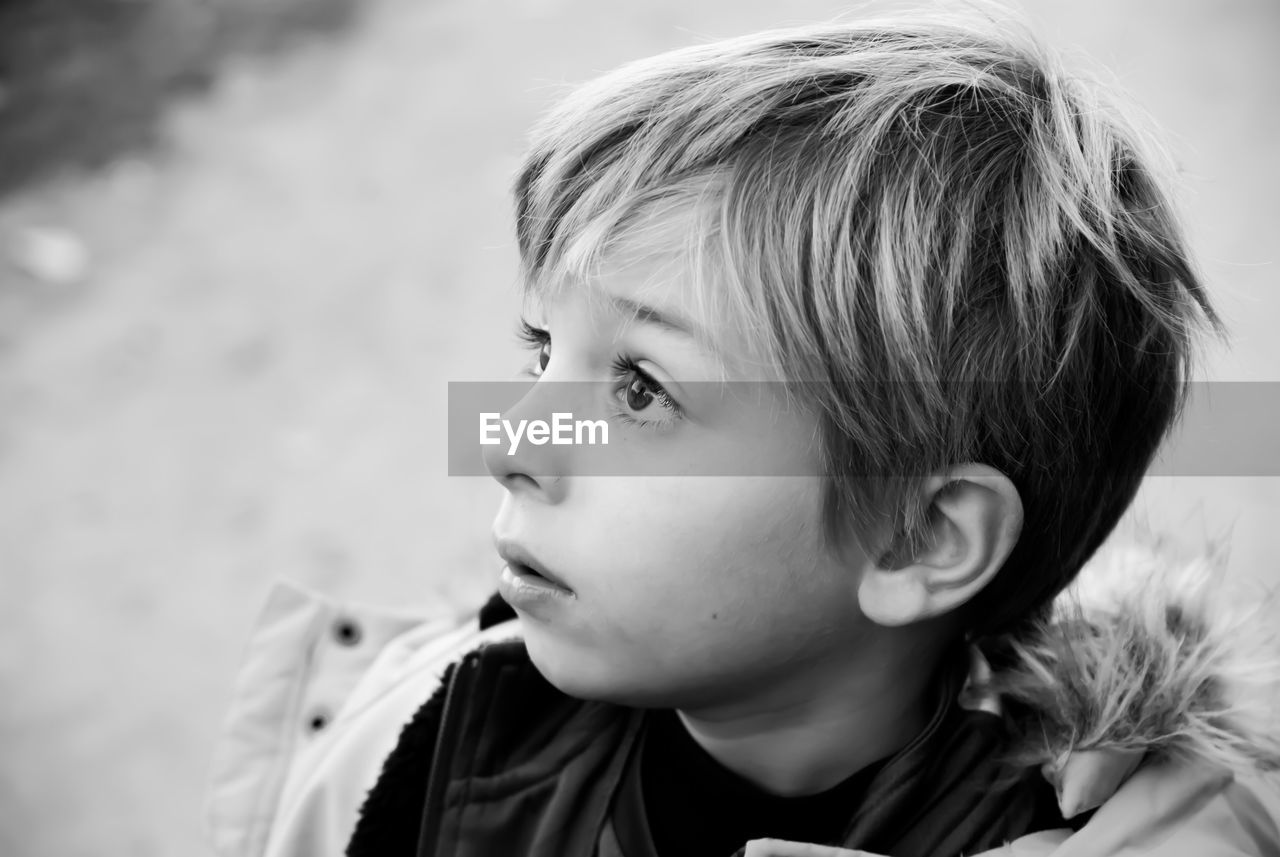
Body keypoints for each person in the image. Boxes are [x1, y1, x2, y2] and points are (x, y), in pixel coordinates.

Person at [206, 10, 1280, 857]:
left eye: (639, 389)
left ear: (919, 536)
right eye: (542, 349)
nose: (510, 443)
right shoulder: (416, 749)